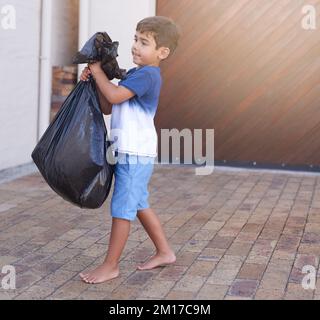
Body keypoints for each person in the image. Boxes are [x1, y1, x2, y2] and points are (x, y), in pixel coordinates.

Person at [79, 16, 181, 284]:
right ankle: (164, 252)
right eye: (136, 39)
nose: (135, 46)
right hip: (127, 149)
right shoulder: (135, 74)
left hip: (135, 152)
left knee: (123, 207)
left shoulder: (148, 75)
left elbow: (114, 96)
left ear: (162, 52)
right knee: (137, 204)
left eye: (144, 42)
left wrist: (98, 71)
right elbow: (108, 105)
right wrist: (94, 80)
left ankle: (111, 266)